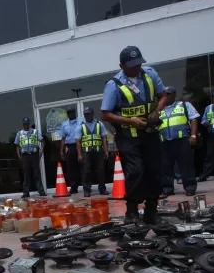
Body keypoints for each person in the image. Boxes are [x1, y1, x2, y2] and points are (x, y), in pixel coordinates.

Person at [100, 46, 168, 223]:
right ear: (121, 66)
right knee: (136, 171)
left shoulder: (150, 74)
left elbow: (163, 96)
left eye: (138, 64)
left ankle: (151, 211)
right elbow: (105, 114)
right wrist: (131, 121)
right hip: (128, 136)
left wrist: (156, 112)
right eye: (132, 66)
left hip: (150, 133)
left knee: (155, 170)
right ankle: (132, 211)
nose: (136, 68)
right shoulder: (114, 85)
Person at [158, 87, 199, 197]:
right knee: (165, 166)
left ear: (174, 95)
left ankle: (190, 187)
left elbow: (194, 119)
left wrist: (193, 135)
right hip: (164, 141)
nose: (166, 96)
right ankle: (167, 189)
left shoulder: (184, 105)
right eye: (164, 94)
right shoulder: (159, 108)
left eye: (168, 94)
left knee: (186, 165)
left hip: (182, 140)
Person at [76, 107, 109, 197]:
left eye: (88, 114)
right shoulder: (81, 126)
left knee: (101, 171)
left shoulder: (99, 124)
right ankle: (87, 190)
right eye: (85, 114)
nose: (86, 115)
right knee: (86, 171)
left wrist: (106, 151)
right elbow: (78, 142)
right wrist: (79, 155)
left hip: (99, 151)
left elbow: (104, 137)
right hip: (86, 152)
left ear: (92, 114)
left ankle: (102, 189)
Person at [15, 117, 47, 198]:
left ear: (29, 124)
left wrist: (41, 152)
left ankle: (41, 191)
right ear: (23, 124)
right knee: (26, 175)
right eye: (24, 124)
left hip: (34, 155)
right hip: (25, 156)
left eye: (27, 123)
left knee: (37, 174)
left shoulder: (35, 131)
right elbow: (17, 146)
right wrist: (19, 156)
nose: (26, 125)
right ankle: (26, 193)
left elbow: (43, 141)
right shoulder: (19, 133)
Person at [57, 109, 85, 194]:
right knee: (71, 169)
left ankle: (86, 186)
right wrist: (61, 151)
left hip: (81, 145)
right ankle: (73, 187)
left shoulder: (82, 120)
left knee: (84, 167)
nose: (70, 114)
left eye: (71, 112)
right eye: (68, 113)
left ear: (74, 112)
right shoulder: (64, 124)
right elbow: (63, 138)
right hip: (70, 147)